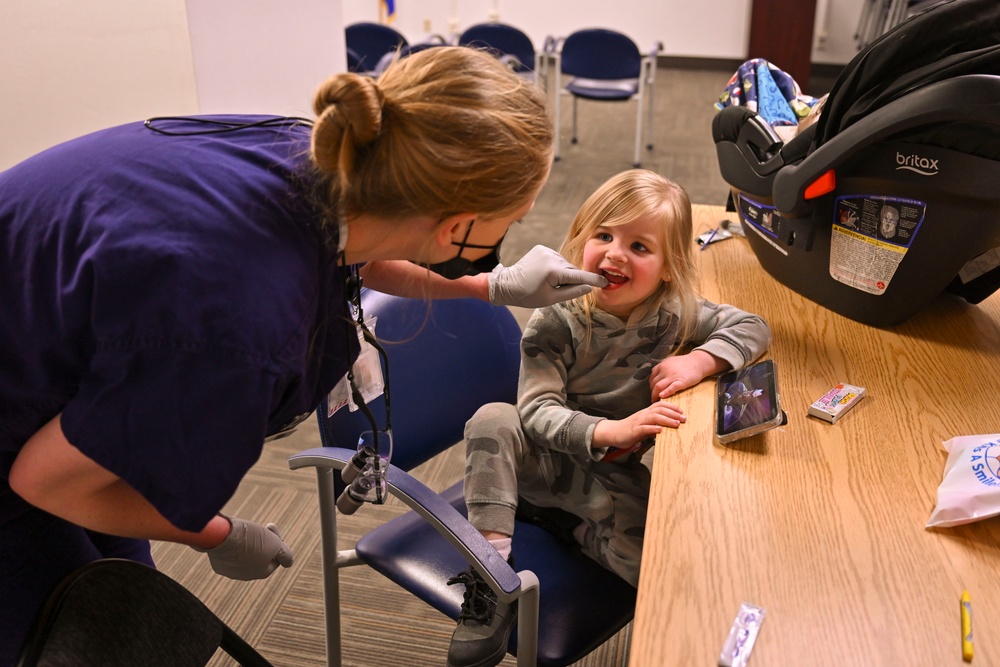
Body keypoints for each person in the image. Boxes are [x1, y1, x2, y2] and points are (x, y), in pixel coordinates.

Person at [0, 46, 607, 664]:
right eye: (512, 221)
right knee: (72, 633)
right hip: (23, 442)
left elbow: (367, 248)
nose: (505, 242)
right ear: (458, 227)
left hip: (60, 341)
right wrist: (217, 533)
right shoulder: (240, 324)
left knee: (124, 588)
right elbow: (43, 481)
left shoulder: (332, 151)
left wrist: (486, 285)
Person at [447, 169, 771, 667]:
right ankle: (491, 572)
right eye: (604, 236)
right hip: (545, 460)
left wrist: (700, 360)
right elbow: (536, 412)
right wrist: (610, 430)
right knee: (494, 418)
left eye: (639, 246)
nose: (616, 253)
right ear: (580, 242)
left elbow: (752, 326)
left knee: (661, 571)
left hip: (612, 474)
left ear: (669, 267)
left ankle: (567, 525)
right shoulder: (556, 317)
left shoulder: (676, 310)